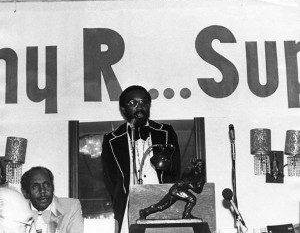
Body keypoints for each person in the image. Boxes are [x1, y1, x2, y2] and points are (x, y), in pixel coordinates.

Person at [101, 85, 181, 233]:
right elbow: (111, 181)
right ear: (123, 109)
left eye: (144, 102)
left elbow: (175, 170)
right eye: (133, 103)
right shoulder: (111, 140)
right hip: (128, 207)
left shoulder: (166, 132)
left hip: (162, 204)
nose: (140, 106)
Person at [21, 166, 84, 233]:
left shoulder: (71, 207)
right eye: (35, 187)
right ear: (26, 193)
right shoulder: (17, 211)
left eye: (47, 185)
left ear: (53, 187)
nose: (42, 191)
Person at [139, 159, 206, 220]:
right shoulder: (190, 171)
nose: (199, 166)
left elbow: (198, 190)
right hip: (176, 190)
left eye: (201, 165)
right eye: (198, 165)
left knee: (161, 206)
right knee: (191, 199)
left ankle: (144, 212)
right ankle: (186, 214)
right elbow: (183, 177)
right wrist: (186, 181)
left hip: (178, 190)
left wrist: (190, 185)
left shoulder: (201, 178)